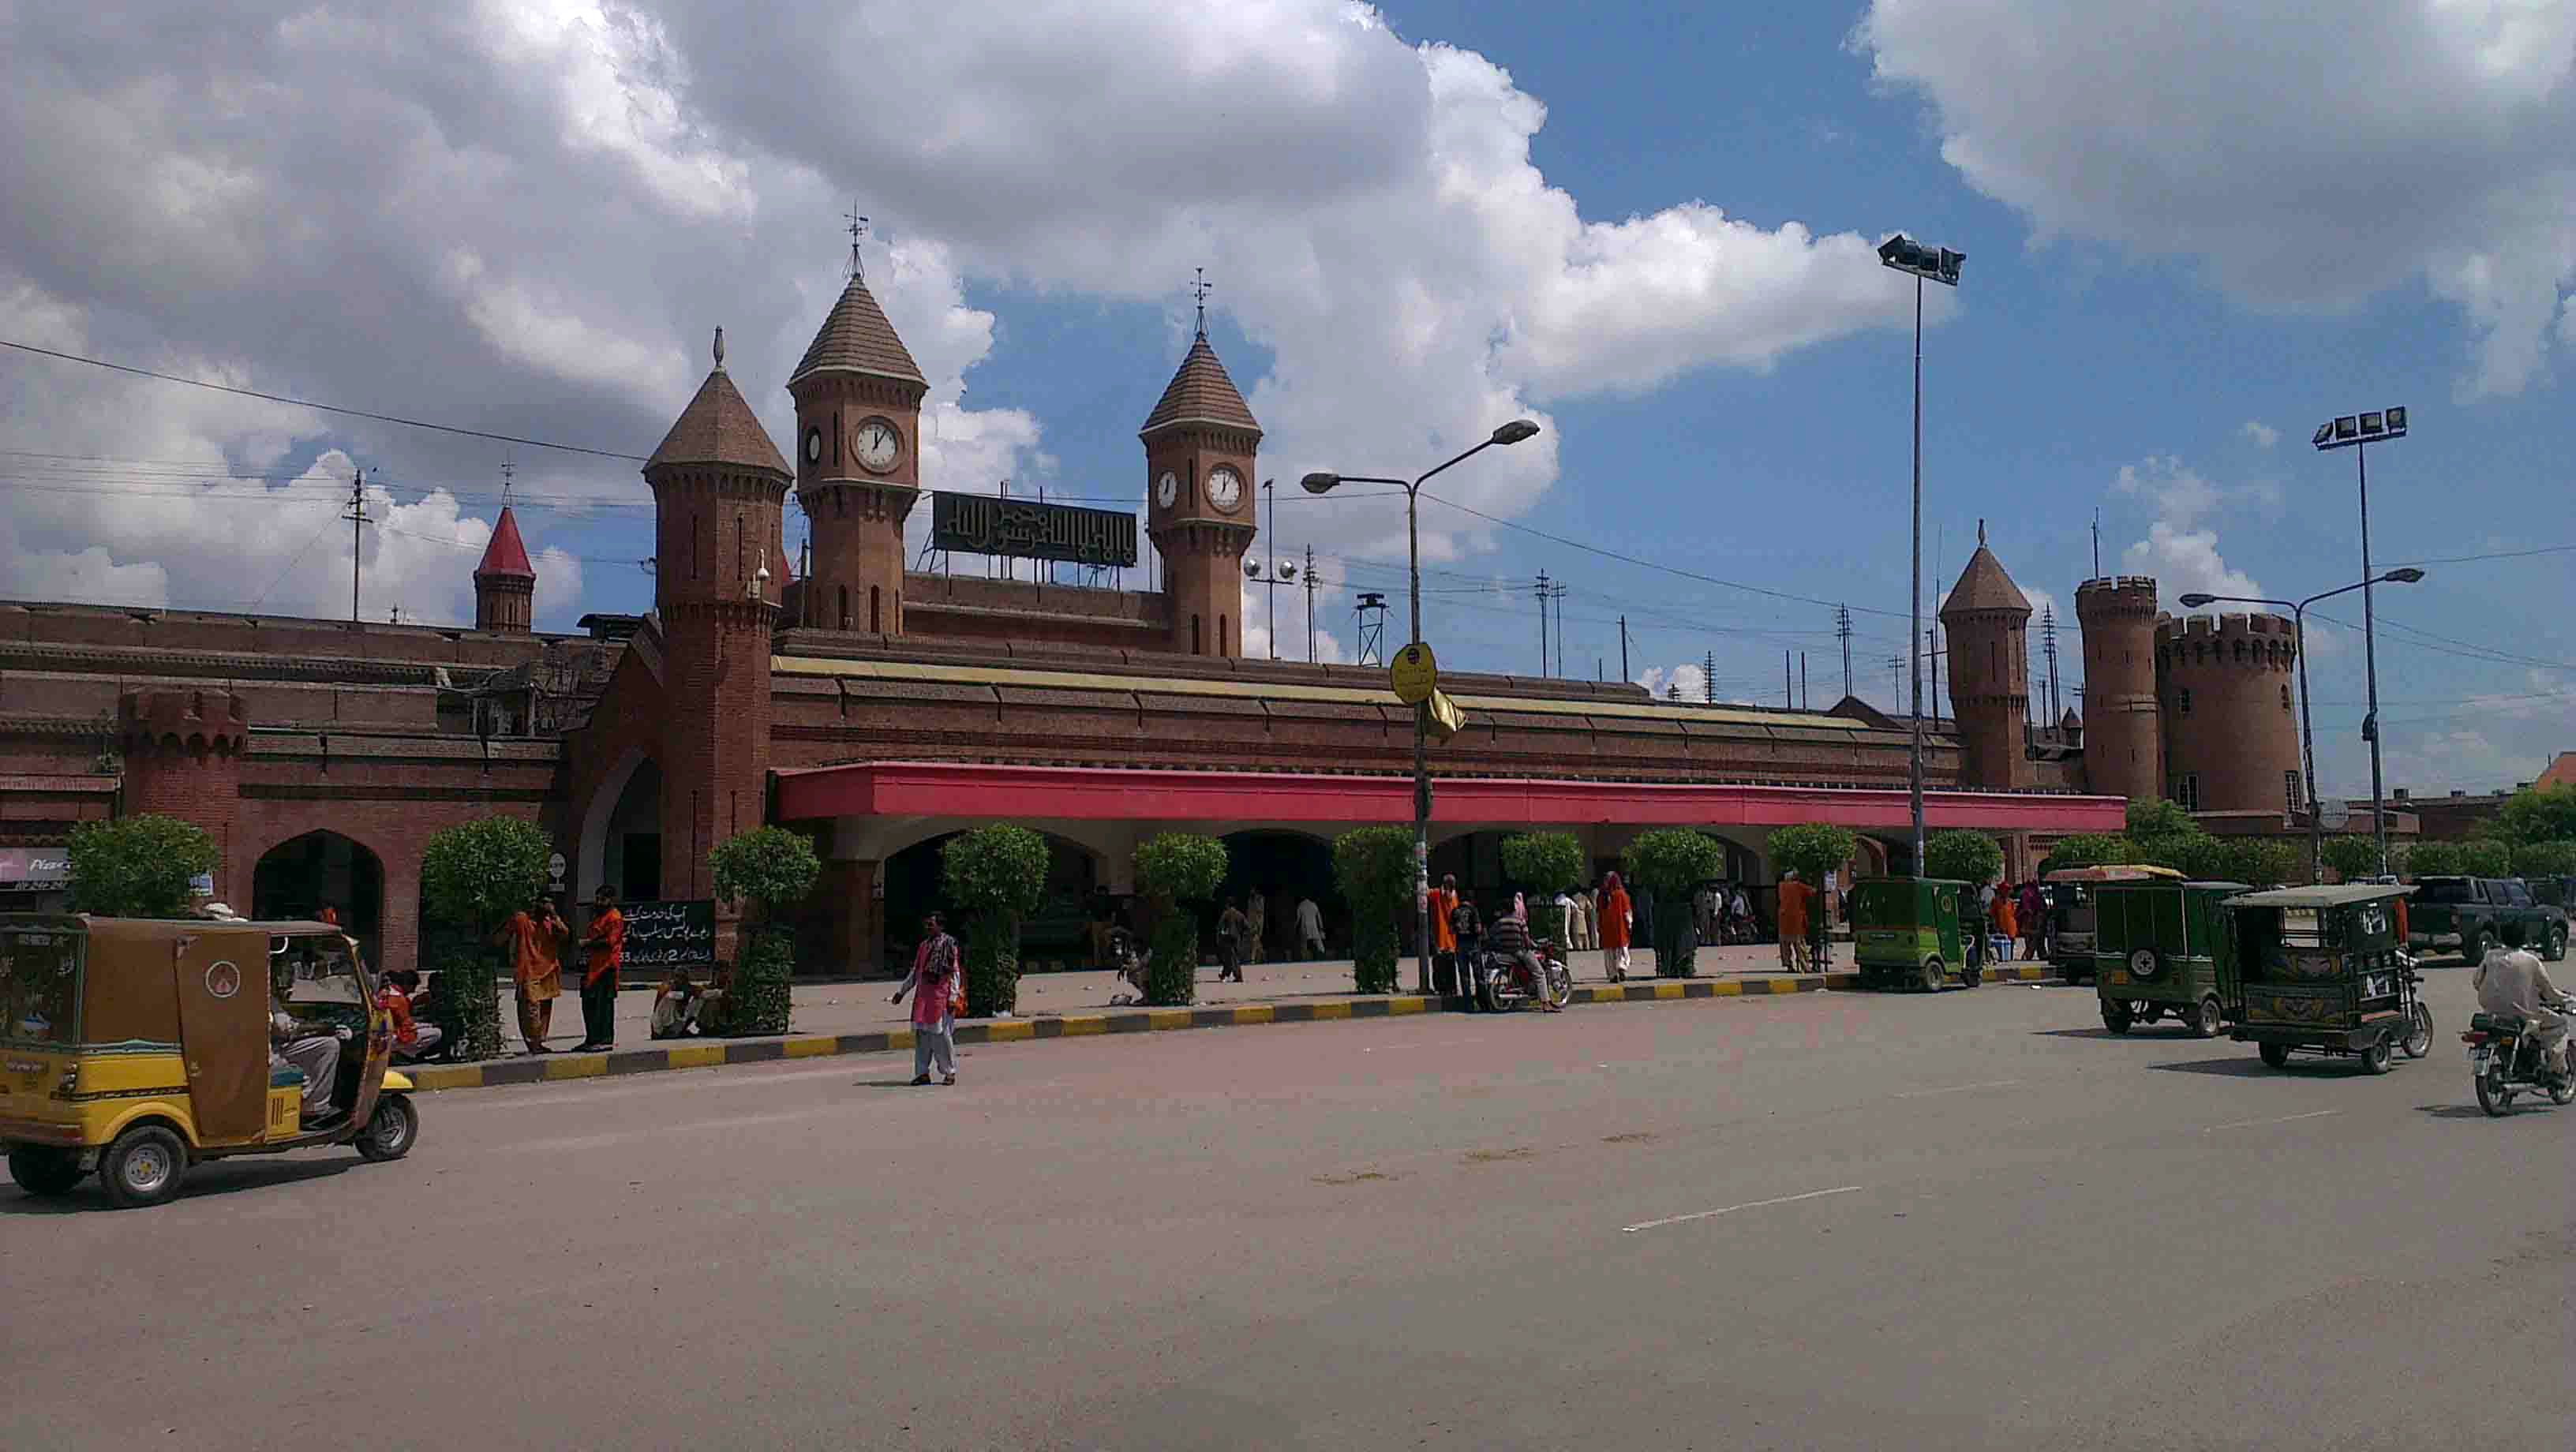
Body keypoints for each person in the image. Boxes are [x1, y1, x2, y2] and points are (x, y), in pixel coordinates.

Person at [2475, 926, 2570, 1081]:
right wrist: (2566, 999)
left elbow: (2476, 982)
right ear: (2524, 939)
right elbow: (2549, 992)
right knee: (2560, 1024)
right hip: (2521, 1015)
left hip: (2491, 1013)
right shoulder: (2531, 961)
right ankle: (2555, 1070)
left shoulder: (2490, 956)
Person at [891, 912, 960, 1086]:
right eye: (927, 924)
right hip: (923, 999)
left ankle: (949, 1072)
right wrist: (902, 992)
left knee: (942, 1037)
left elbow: (954, 973)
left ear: (941, 926)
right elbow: (916, 972)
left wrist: (953, 997)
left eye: (931, 924)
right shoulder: (924, 946)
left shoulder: (949, 945)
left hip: (941, 998)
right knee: (922, 1038)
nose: (928, 927)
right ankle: (922, 1073)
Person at [269, 984, 347, 1127]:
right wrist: (324, 1028)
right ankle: (313, 1109)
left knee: (326, 1045)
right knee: (330, 1046)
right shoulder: (264, 995)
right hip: (269, 1056)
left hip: (270, 1049)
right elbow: (286, 1028)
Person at [499, 897, 567, 1054]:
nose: (546, 906)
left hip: (549, 970)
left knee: (544, 1009)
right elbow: (503, 935)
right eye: (543, 903)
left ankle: (540, 1041)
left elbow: (565, 934)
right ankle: (533, 1043)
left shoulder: (550, 921)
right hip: (528, 971)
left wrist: (554, 914)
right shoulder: (522, 919)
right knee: (530, 1010)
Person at [1481, 896, 1559, 1011]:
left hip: (1504, 954)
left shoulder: (1498, 923)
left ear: (1504, 910)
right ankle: (1545, 1003)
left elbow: (1490, 936)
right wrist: (1533, 947)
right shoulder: (1519, 921)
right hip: (1519, 952)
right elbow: (1527, 940)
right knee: (1540, 973)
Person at [576, 887, 625, 1053]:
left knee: (604, 1005)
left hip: (607, 967)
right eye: (597, 898)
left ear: (611, 900)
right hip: (593, 967)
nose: (598, 902)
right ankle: (592, 1039)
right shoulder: (598, 918)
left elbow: (610, 942)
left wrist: (587, 943)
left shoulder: (614, 918)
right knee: (589, 1003)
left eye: (602, 899)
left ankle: (605, 1040)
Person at [378, 967, 443, 1062]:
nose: (413, 991)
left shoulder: (384, 994)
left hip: (385, 1033)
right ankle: (405, 1054)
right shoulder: (400, 999)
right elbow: (407, 1028)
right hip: (394, 1037)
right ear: (407, 984)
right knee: (437, 1033)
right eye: (413, 987)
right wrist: (429, 1024)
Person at [1777, 870, 1815, 973]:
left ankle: (1789, 965)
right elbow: (1812, 892)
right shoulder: (1798, 886)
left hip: (1783, 919)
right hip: (1796, 919)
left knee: (1785, 945)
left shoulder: (1781, 886)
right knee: (1800, 944)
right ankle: (1805, 966)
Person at [1430, 874, 1462, 996]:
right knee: (1450, 966)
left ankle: (1442, 988)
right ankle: (1451, 988)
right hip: (1451, 939)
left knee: (1439, 965)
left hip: (1441, 938)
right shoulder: (1454, 897)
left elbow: (1424, 893)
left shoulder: (1437, 894)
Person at [1599, 871, 1633, 982]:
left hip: (1606, 929)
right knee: (1622, 950)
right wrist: (1630, 924)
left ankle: (1613, 975)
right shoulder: (1622, 894)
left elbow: (1598, 912)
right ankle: (1622, 966)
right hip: (1620, 928)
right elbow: (1627, 912)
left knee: (1609, 953)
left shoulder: (1602, 895)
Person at [651, 967, 702, 1039]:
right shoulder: (668, 988)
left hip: (678, 1024)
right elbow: (676, 995)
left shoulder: (688, 987)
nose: (680, 979)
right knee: (669, 999)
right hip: (660, 1027)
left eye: (683, 977)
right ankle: (666, 1032)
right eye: (678, 976)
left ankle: (680, 1031)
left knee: (699, 999)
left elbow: (700, 993)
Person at [1216, 897, 1249, 983]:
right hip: (1237, 939)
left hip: (1228, 938)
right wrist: (1242, 936)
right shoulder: (1240, 914)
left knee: (1232, 958)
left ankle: (1238, 977)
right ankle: (1224, 974)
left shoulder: (1226, 914)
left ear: (1227, 904)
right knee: (1231, 957)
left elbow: (1220, 927)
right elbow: (1247, 927)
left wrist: (1219, 937)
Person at [1087, 886, 1117, 971]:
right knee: (1106, 943)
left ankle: (1098, 963)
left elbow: (1090, 913)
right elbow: (1113, 912)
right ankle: (1106, 962)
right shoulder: (1109, 900)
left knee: (1097, 944)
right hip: (1105, 922)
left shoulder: (1094, 900)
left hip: (1097, 922)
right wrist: (1112, 923)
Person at [2019, 881, 2047, 960]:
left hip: (2032, 918)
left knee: (2033, 938)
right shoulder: (2032, 894)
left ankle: (2034, 954)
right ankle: (2030, 955)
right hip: (2033, 919)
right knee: (2035, 937)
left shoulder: (2028, 893)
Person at [1295, 895, 1327, 960]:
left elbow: (1298, 918)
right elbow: (1319, 917)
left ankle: (1304, 956)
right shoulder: (1314, 905)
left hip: (1305, 926)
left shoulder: (1301, 905)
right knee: (1318, 940)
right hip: (1313, 925)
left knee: (1304, 942)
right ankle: (1323, 952)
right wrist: (1321, 927)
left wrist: (1295, 926)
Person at [1245, 887, 1267, 967]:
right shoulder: (1250, 900)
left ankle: (1253, 959)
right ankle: (1263, 954)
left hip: (1258, 922)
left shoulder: (1260, 899)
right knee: (1254, 941)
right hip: (1251, 922)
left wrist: (1258, 924)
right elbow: (1249, 911)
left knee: (1255, 940)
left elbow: (1260, 910)